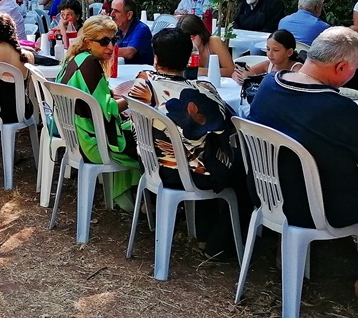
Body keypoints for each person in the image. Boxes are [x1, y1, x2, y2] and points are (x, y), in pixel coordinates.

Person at [129, 27, 248, 255]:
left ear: (155, 58)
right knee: (239, 169)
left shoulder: (141, 87)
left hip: (152, 167)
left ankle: (205, 233)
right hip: (191, 174)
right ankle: (219, 246)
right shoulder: (202, 92)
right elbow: (227, 126)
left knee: (203, 152)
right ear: (188, 60)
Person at [249, 27, 358, 228]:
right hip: (319, 209)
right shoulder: (340, 110)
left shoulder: (268, 83)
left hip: (263, 194)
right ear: (341, 67)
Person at [56, 15, 141, 211]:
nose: (111, 46)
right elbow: (109, 109)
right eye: (104, 41)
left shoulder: (75, 59)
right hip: (94, 144)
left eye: (114, 40)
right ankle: (144, 202)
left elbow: (99, 102)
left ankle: (133, 199)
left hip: (78, 138)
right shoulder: (90, 65)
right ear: (87, 42)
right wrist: (134, 99)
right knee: (148, 142)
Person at [231, 29, 304, 84]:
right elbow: (234, 74)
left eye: (276, 50)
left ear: (289, 52)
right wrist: (240, 77)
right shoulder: (269, 65)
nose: (270, 54)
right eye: (268, 49)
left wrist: (254, 79)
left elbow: (288, 87)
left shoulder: (297, 68)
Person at [110, 0, 153, 64]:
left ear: (129, 15)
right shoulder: (117, 29)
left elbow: (129, 52)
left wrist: (102, 51)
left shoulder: (141, 29)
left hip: (140, 72)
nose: (112, 14)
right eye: (112, 10)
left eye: (117, 11)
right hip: (123, 70)